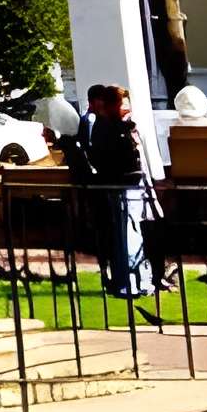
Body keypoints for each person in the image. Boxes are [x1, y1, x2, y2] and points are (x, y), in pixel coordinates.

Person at [67, 82, 157, 298]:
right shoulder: (107, 128)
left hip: (131, 187)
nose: (126, 106)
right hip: (120, 188)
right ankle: (128, 282)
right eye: (121, 102)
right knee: (127, 236)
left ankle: (138, 280)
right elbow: (111, 158)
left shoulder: (121, 126)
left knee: (134, 235)